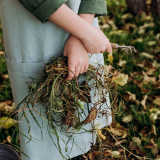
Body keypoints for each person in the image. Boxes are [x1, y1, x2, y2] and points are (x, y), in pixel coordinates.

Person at [0, 0, 112, 159]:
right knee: (45, 131)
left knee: (76, 119)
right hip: (34, 31)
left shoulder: (84, 33)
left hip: (83, 21)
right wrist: (84, 32)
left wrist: (81, 36)